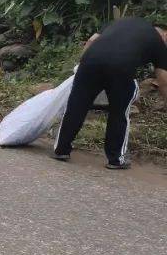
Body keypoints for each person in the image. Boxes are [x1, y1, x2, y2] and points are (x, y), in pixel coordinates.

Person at [53, 18, 167, 169]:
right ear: (164, 34)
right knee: (119, 112)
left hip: (90, 62)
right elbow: (164, 81)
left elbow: (92, 40)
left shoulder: (121, 22)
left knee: (76, 105)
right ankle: (115, 159)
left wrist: (81, 66)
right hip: (121, 68)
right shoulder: (158, 42)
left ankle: (61, 149)